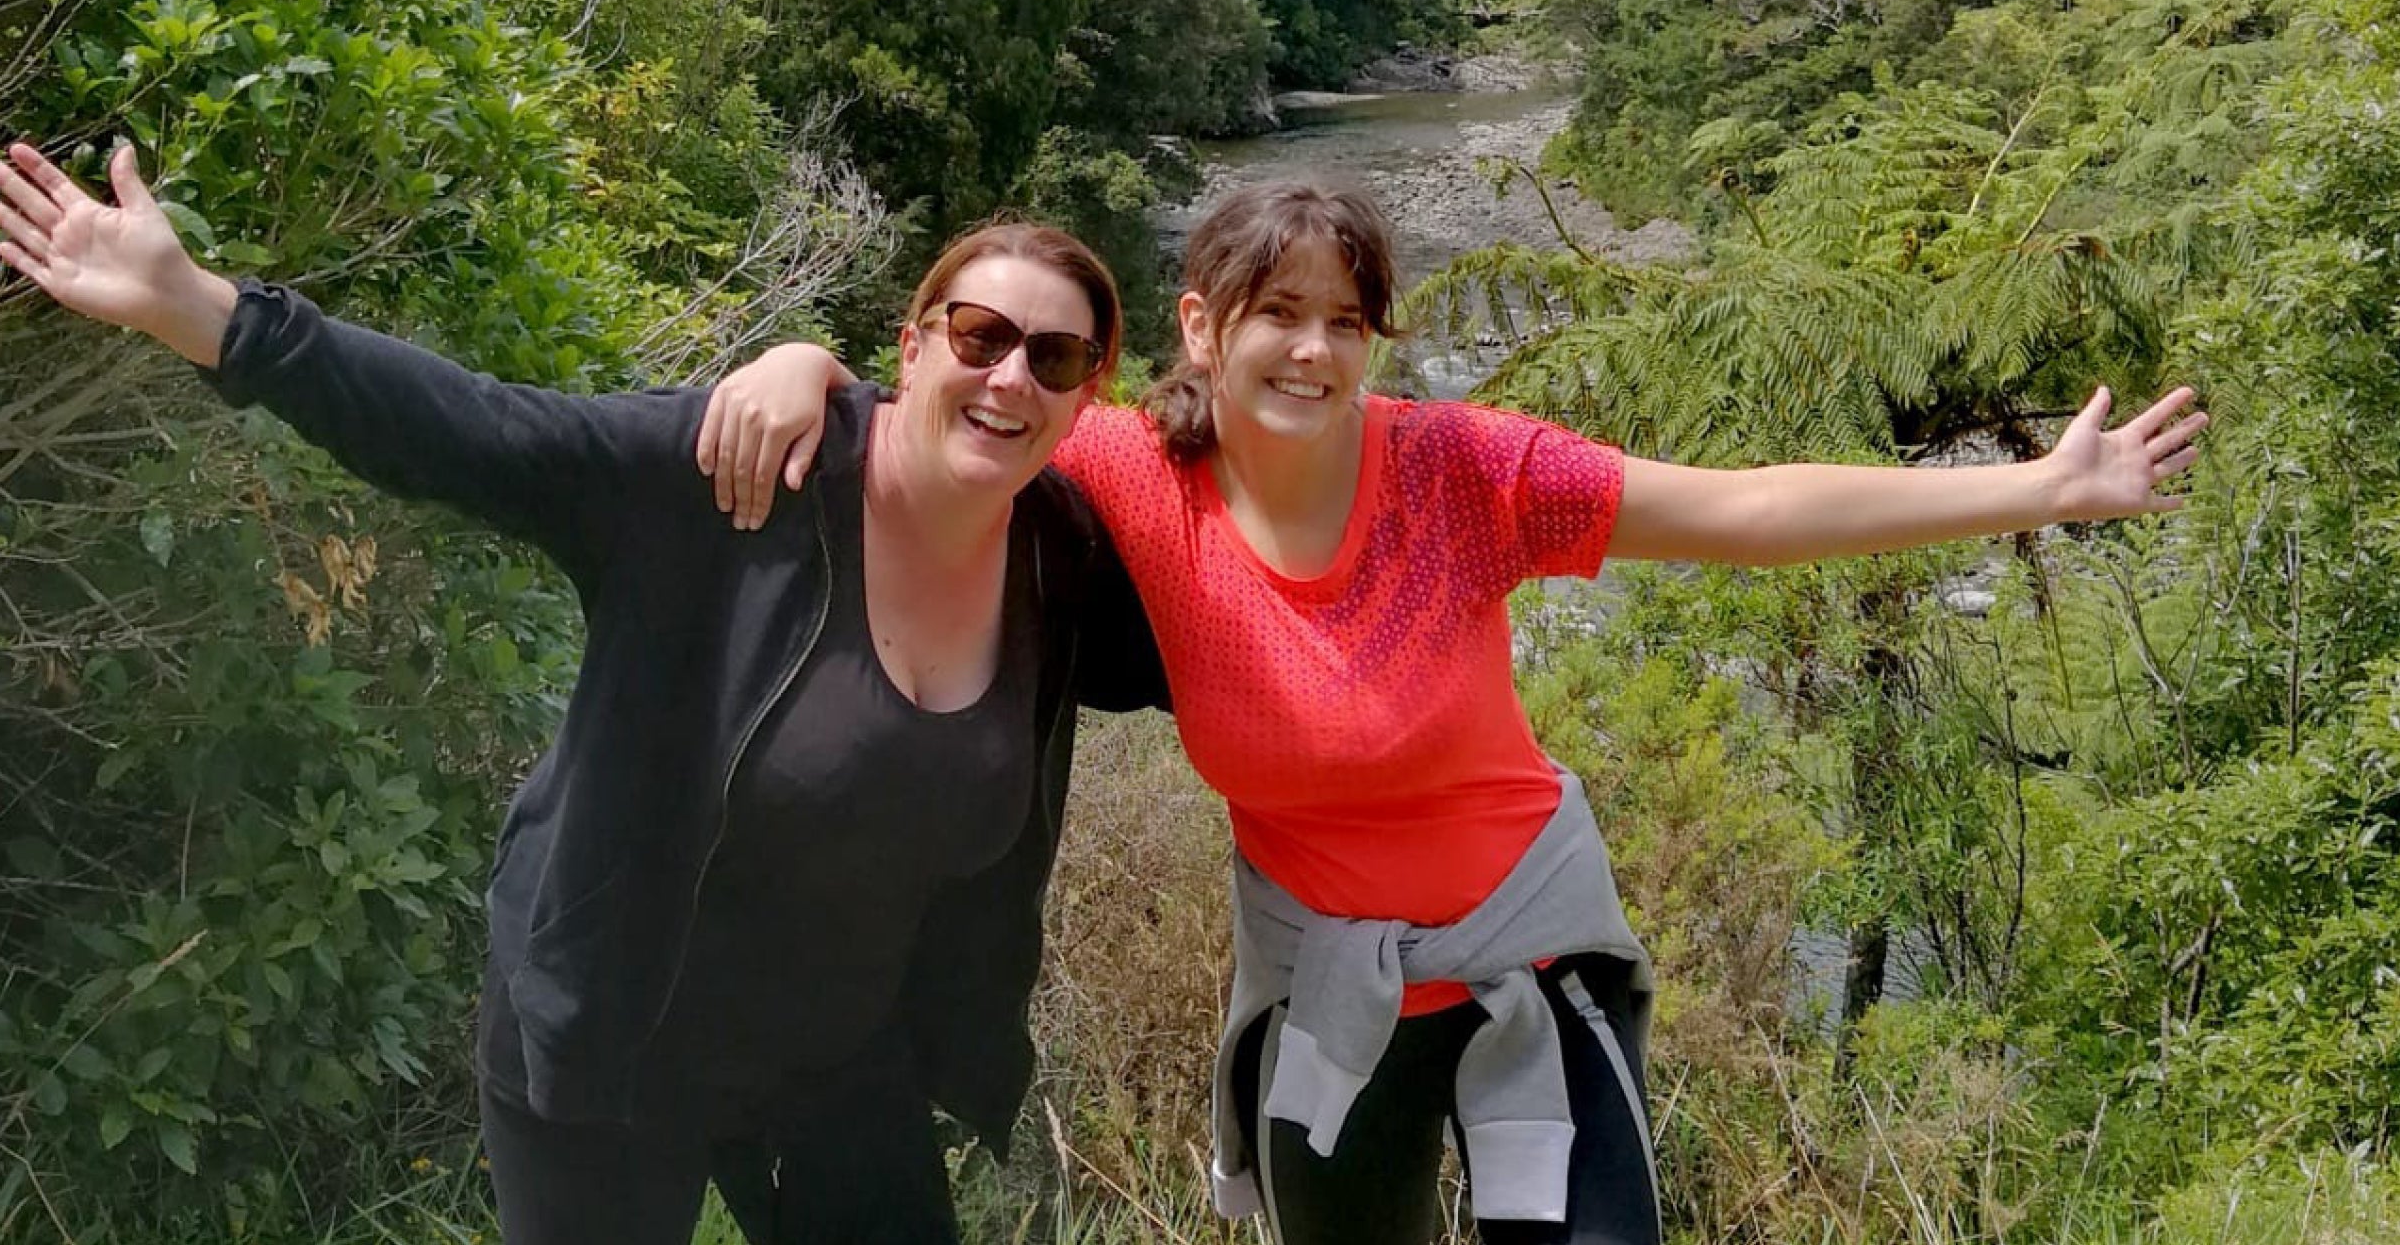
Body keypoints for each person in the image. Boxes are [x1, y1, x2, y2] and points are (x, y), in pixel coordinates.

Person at [700, 178, 2207, 1245]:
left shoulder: (1465, 473)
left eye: (1345, 321)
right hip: (1322, 989)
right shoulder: (1127, 475)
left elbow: (1743, 507)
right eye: (1274, 311)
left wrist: (2037, 487)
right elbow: (959, 404)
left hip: (1529, 962)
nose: (1310, 347)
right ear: (1198, 325)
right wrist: (799, 359)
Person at [0, 140, 1168, 1245]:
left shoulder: (1056, 555)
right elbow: (488, 436)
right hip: (616, 1034)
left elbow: (1239, 654)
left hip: (836, 1060)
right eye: (978, 333)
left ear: (1085, 389)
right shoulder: (739, 475)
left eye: (1051, 356)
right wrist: (210, 316)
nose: (1009, 375)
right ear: (911, 344)